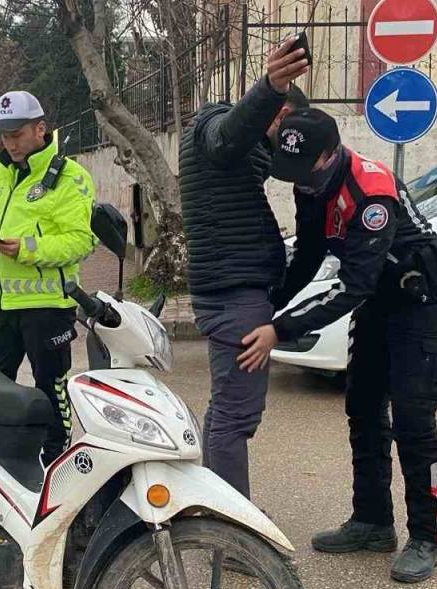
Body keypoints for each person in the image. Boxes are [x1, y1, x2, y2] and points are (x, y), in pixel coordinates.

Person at [262, 109, 437, 583]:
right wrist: (268, 304)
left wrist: (281, 328)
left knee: (413, 422)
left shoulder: (372, 191)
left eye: (305, 169)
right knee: (364, 408)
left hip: (422, 302)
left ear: (329, 155)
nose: (298, 181)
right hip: (379, 300)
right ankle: (372, 521)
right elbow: (309, 255)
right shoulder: (308, 181)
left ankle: (426, 537)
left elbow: (353, 285)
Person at [178, 38, 308, 499]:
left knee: (223, 412)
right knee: (237, 416)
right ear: (275, 114)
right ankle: (234, 531)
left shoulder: (238, 154)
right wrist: (272, 87)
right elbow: (229, 136)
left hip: (232, 289)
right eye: (285, 127)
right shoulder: (215, 129)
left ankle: (215, 505)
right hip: (237, 296)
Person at [0, 91, 97, 465]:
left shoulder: (69, 177)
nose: (10, 143)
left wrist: (27, 248)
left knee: (51, 390)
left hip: (47, 307)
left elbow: (81, 242)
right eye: (4, 135)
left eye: (17, 134)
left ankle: (57, 463)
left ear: (40, 128)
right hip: (0, 306)